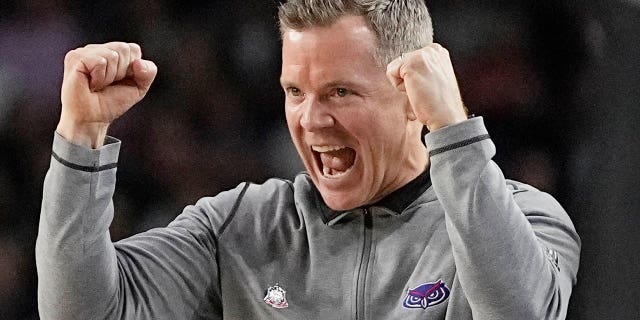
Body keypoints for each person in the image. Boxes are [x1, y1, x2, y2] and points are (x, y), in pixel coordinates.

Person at [36, 0, 581, 319]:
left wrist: (456, 134)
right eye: (296, 91)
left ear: (414, 94)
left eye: (340, 92)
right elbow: (79, 312)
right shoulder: (240, 228)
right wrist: (81, 135)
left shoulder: (525, 221)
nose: (311, 119)